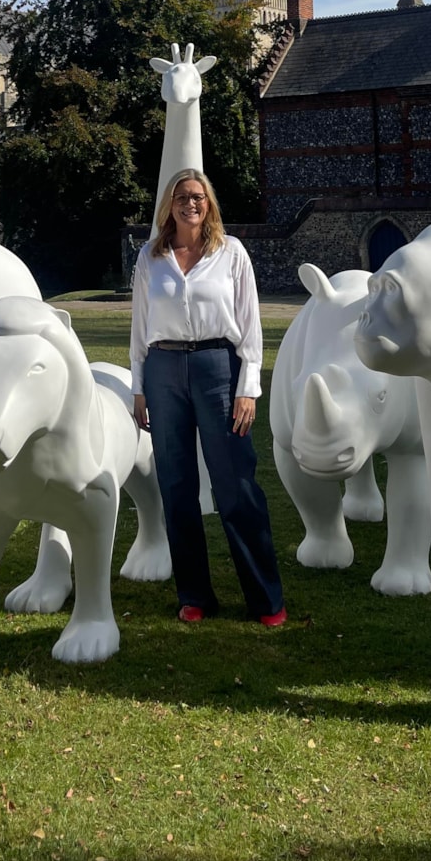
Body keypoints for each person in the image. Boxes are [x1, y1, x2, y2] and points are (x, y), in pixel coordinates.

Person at [130, 168, 286, 628]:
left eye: (198, 196)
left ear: (209, 202)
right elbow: (140, 326)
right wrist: (139, 386)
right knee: (176, 487)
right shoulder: (150, 257)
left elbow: (250, 322)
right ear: (169, 205)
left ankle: (266, 599)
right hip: (163, 370)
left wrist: (248, 388)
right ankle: (195, 594)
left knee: (235, 484)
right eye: (182, 196)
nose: (191, 203)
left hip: (219, 366)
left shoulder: (231, 253)